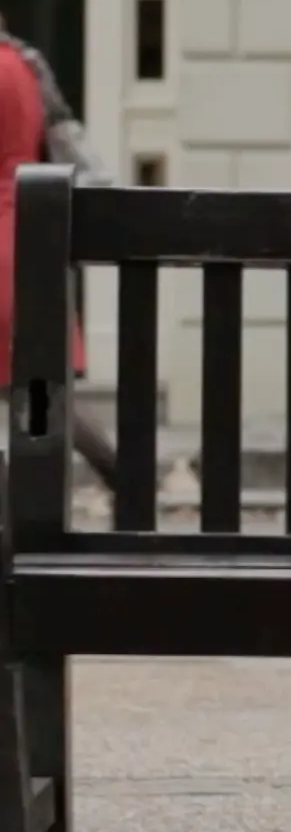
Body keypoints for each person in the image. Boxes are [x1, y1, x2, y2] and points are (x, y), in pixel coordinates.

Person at [0, 25, 116, 491]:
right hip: (27, 233)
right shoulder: (26, 65)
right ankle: (128, 481)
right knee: (43, 390)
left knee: (31, 392)